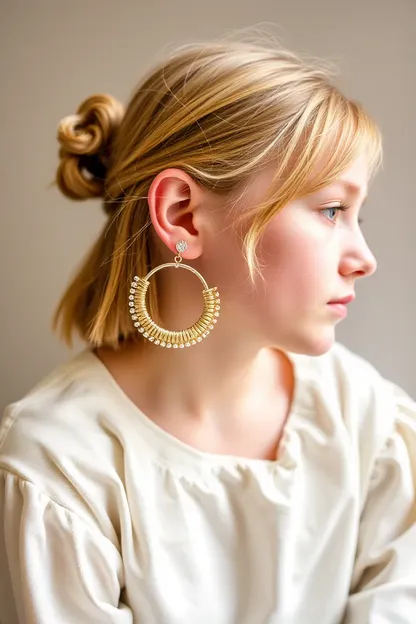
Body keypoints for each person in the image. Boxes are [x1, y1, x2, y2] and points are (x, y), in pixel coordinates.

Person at [0, 36, 415, 624]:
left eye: (357, 214)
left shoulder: (365, 419)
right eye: (330, 210)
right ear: (182, 215)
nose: (364, 257)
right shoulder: (65, 461)